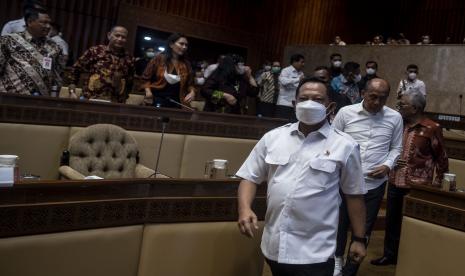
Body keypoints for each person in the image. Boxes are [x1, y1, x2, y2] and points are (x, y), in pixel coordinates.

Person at [236, 77, 367, 276]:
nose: (310, 103)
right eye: (304, 98)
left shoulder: (345, 145)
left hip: (315, 251)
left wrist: (358, 239)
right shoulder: (274, 137)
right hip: (274, 243)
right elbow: (250, 176)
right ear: (294, 104)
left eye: (317, 99)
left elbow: (354, 195)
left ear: (329, 106)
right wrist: (244, 209)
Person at [332, 78, 403, 276]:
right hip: (344, 181)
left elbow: (396, 148)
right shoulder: (346, 113)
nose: (377, 102)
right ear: (363, 93)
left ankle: (350, 271)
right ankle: (336, 261)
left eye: (382, 98)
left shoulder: (395, 117)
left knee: (363, 230)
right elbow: (332, 141)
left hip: (374, 183)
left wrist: (388, 166)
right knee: (339, 224)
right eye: (373, 97)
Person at [371, 90, 448, 266]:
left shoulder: (432, 128)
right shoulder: (398, 124)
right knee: (392, 222)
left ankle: (410, 257)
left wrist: (437, 185)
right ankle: (389, 255)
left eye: (402, 104)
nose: (398, 107)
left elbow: (441, 158)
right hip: (394, 181)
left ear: (414, 108)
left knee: (412, 225)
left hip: (417, 185)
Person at [0, 8, 64, 95]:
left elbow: (58, 77)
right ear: (30, 22)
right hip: (9, 97)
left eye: (49, 23)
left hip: (40, 101)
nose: (48, 26)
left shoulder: (55, 47)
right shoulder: (9, 40)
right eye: (44, 22)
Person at [69, 26, 134, 103]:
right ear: (109, 35)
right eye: (117, 35)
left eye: (123, 37)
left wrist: (124, 97)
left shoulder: (129, 58)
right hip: (91, 99)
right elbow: (76, 69)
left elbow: (130, 82)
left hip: (115, 103)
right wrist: (72, 91)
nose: (120, 39)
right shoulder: (95, 51)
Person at [142, 33, 195, 108]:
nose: (184, 47)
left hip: (178, 101)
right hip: (157, 99)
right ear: (171, 44)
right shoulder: (159, 58)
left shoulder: (186, 64)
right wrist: (148, 92)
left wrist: (192, 92)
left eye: (186, 45)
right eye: (181, 44)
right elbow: (145, 78)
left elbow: (190, 84)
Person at [275, 54, 305, 121]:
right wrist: (298, 79)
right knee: (281, 124)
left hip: (295, 105)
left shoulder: (301, 73)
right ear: (295, 62)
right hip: (284, 103)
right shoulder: (286, 71)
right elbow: (284, 82)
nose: (303, 64)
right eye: (302, 62)